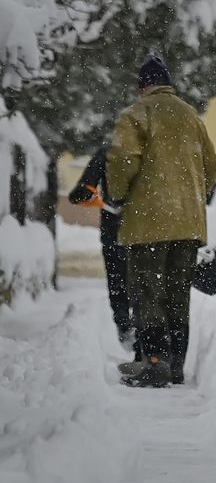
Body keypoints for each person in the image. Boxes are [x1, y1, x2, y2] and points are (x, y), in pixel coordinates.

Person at [108, 56, 216, 388]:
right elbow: (213, 163)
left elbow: (123, 159)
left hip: (149, 223)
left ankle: (155, 361)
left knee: (148, 292)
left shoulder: (137, 113)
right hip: (188, 225)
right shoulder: (191, 116)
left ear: (143, 86)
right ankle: (175, 366)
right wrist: (193, 195)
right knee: (177, 295)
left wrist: (118, 193)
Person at [68, 148, 136, 349]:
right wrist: (85, 192)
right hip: (118, 228)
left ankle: (135, 330)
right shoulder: (107, 154)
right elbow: (83, 188)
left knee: (130, 281)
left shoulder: (148, 150)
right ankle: (126, 328)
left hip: (139, 229)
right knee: (121, 280)